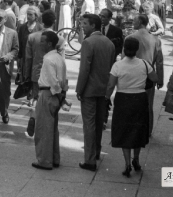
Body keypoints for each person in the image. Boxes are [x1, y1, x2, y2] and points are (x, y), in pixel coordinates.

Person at [105, 37, 158, 177]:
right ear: (137, 49)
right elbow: (155, 79)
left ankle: (127, 163)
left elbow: (110, 85)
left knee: (124, 130)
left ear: (123, 48)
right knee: (137, 129)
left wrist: (106, 98)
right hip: (140, 99)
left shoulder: (117, 65)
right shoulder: (144, 64)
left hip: (123, 99)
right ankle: (136, 159)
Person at [76, 14, 115, 171]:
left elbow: (84, 69)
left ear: (93, 26)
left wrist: (79, 89)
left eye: (85, 24)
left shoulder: (88, 42)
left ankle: (90, 159)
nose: (82, 26)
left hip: (90, 90)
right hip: (103, 89)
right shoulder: (109, 43)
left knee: (89, 125)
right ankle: (96, 151)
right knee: (99, 123)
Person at [32, 31, 67, 171]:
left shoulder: (48, 59)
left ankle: (45, 161)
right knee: (52, 129)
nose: (41, 43)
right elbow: (63, 79)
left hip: (48, 94)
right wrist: (61, 96)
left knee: (43, 129)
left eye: (43, 41)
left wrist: (57, 93)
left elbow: (53, 81)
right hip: (55, 95)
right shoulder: (59, 57)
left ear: (49, 43)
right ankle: (54, 158)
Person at [129, 13, 164, 137]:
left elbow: (125, 58)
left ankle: (133, 128)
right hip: (149, 75)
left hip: (133, 75)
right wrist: (160, 79)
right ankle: (147, 131)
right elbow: (159, 62)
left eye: (134, 21)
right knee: (148, 104)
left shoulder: (131, 38)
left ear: (140, 22)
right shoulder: (155, 40)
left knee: (133, 103)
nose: (133, 22)